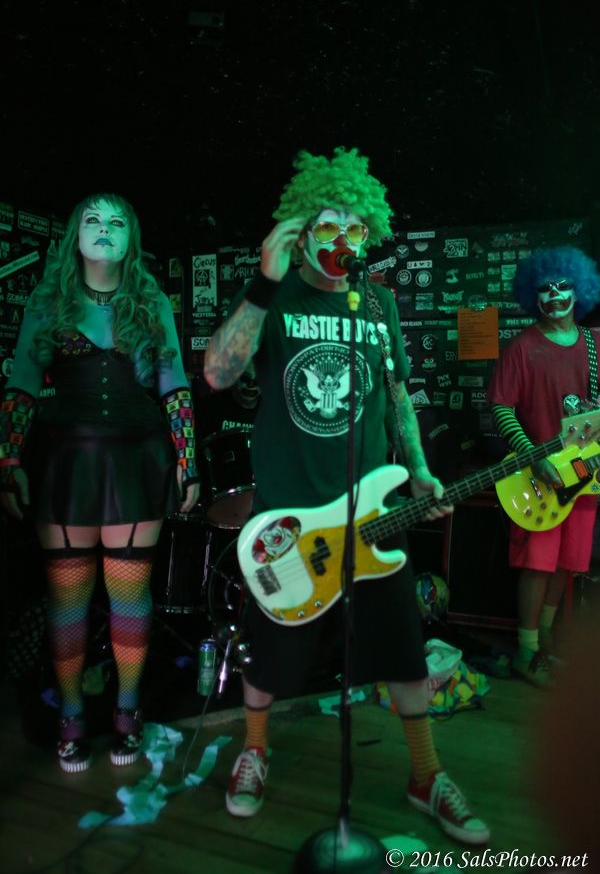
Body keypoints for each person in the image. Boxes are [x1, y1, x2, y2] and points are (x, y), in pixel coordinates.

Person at [204, 147, 490, 844]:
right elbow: (217, 373)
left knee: (403, 650)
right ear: (301, 230)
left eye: (354, 227)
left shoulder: (379, 303)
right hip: (289, 517)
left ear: (369, 234)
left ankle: (426, 775)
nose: (342, 239)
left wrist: (418, 469)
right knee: (271, 655)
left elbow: (396, 395)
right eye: (327, 224)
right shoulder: (274, 298)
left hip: (374, 515)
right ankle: (255, 752)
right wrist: (264, 282)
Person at [0, 193, 200, 772]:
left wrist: (188, 458)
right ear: (76, 236)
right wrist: (8, 462)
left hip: (138, 457)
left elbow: (174, 385)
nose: (104, 228)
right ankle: (70, 716)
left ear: (131, 238)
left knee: (129, 596)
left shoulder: (151, 300)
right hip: (65, 459)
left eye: (116, 221)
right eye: (93, 219)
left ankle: (127, 713)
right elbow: (21, 385)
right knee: (67, 599)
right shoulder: (48, 299)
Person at [487, 246, 600, 687]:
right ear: (532, 296)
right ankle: (527, 650)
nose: (554, 296)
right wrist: (533, 458)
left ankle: (545, 639)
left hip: (586, 476)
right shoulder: (522, 347)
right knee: (538, 562)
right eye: (544, 288)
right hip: (540, 477)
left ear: (579, 289)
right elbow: (501, 407)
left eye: (563, 286)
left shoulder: (595, 344)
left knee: (567, 562)